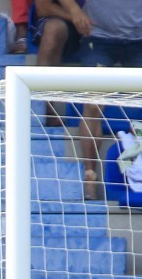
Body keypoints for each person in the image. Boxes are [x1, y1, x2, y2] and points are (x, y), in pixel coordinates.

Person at [75, 0, 142, 200]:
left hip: (139, 40)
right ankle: (90, 177)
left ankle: (134, 156)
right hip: (98, 37)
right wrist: (73, 10)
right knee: (93, 103)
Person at [34, 0, 87, 125]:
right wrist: (77, 16)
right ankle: (45, 108)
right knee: (54, 29)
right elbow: (43, 8)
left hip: (108, 27)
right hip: (63, 21)